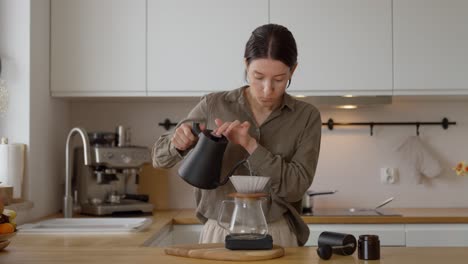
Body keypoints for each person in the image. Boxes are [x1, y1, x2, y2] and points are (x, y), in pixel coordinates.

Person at [152, 24, 321, 247]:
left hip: (277, 233)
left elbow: (296, 187)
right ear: (245, 65)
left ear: (293, 70)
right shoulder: (213, 105)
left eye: (279, 79)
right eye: (258, 77)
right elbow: (159, 159)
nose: (267, 89)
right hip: (219, 233)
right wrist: (179, 143)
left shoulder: (306, 117)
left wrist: (251, 145)